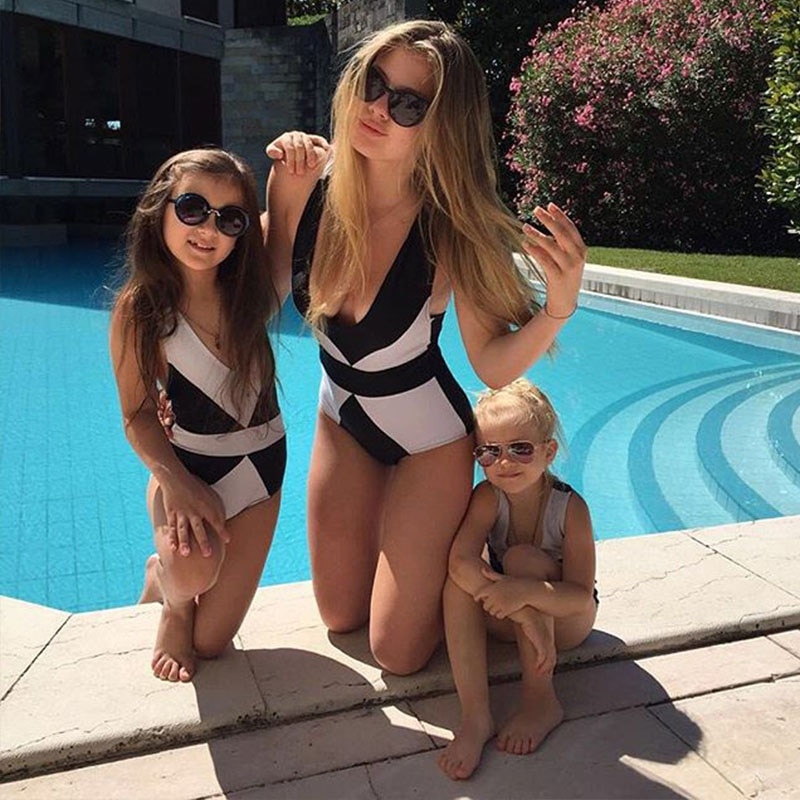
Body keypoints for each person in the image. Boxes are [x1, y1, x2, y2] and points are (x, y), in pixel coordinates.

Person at [264, 19, 586, 676]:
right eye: (373, 83)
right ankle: (422, 549)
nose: (378, 108)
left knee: (398, 653)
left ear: (441, 125)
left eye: (408, 104)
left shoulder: (449, 229)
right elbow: (260, 299)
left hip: (428, 442)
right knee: (339, 616)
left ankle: (492, 572)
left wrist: (558, 309)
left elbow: (491, 364)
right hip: (341, 419)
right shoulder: (309, 186)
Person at [110, 148, 286, 682]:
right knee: (191, 575)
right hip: (189, 468)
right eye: (192, 208)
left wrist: (290, 163)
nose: (208, 229)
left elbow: (287, 217)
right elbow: (137, 415)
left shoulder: (251, 293)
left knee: (211, 644)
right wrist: (179, 485)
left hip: (261, 474)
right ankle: (174, 599)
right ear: (159, 208)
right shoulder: (141, 311)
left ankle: (162, 575)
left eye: (229, 219)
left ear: (241, 232)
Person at [437, 379, 597, 780]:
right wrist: (521, 610)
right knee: (457, 586)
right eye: (489, 452)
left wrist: (526, 593)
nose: (504, 462)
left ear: (548, 452)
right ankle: (475, 717)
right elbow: (460, 561)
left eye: (520, 449)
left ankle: (540, 701)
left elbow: (581, 597)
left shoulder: (570, 508)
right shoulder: (487, 497)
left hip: (565, 622)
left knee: (523, 559)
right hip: (511, 615)